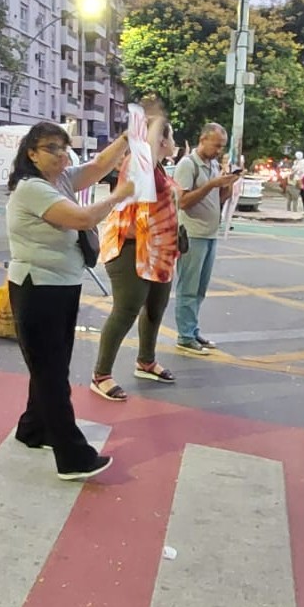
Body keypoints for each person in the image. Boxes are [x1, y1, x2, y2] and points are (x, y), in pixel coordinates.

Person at [5, 122, 134, 480]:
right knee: (51, 375)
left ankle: (33, 428)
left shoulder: (58, 179)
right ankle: (72, 457)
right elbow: (82, 218)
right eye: (52, 148)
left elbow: (97, 167)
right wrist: (120, 194)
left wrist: (127, 137)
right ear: (32, 153)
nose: (62, 155)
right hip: (38, 288)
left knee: (50, 366)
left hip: (60, 284)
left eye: (65, 148)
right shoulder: (31, 188)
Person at [91, 116, 181, 401]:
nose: (174, 141)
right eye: (170, 136)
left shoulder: (159, 167)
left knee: (156, 307)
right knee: (126, 310)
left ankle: (146, 361)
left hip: (159, 252)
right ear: (161, 141)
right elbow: (140, 189)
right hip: (130, 248)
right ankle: (101, 375)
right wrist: (148, 133)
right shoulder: (137, 163)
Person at [173, 122, 239, 354]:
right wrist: (211, 184)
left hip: (210, 234)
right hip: (192, 234)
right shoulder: (187, 165)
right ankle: (185, 336)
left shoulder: (212, 165)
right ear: (203, 140)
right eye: (216, 145)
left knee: (200, 288)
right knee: (188, 288)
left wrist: (227, 184)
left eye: (222, 146)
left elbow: (218, 199)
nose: (219, 150)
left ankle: (192, 330)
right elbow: (182, 201)